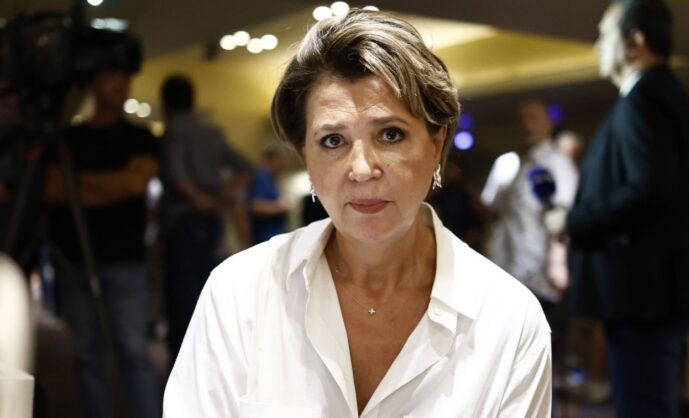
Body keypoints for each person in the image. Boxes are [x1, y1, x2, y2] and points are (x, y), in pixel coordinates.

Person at [164, 10, 551, 417]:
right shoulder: (239, 294)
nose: (362, 169)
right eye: (333, 140)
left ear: (436, 146)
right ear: (306, 156)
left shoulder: (508, 319)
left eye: (390, 135)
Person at [565, 1, 689, 417]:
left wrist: (573, 221)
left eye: (605, 34)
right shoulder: (660, 94)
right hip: (649, 291)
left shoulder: (645, 100)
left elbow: (648, 190)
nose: (597, 46)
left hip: (642, 294)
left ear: (634, 41)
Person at [45, 68, 160, 418]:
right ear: (93, 83)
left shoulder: (139, 137)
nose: (120, 83)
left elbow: (136, 184)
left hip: (125, 258)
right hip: (74, 257)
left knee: (134, 350)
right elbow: (52, 187)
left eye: (124, 77)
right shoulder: (67, 139)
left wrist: (79, 187)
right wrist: (114, 185)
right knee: (86, 353)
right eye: (111, 76)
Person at [159, 75, 254, 363]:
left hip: (183, 222)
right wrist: (221, 197)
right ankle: (213, 366)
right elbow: (246, 168)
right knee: (208, 297)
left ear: (165, 104)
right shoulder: (211, 132)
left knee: (181, 303)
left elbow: (177, 175)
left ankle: (184, 371)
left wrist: (197, 198)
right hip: (212, 222)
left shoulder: (174, 131)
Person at [481, 100, 578, 318]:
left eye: (533, 118)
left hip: (536, 275)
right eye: (521, 119)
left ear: (549, 124)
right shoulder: (511, 164)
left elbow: (560, 217)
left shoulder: (556, 164)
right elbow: (492, 212)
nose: (526, 125)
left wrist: (557, 262)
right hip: (504, 269)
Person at [248, 143, 289, 244]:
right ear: (273, 158)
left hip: (275, 234)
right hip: (264, 237)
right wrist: (279, 207)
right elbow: (255, 206)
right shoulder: (260, 176)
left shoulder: (272, 177)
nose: (283, 164)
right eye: (280, 160)